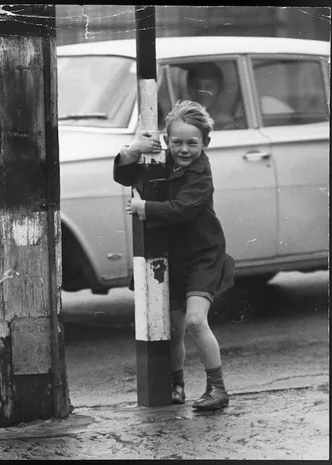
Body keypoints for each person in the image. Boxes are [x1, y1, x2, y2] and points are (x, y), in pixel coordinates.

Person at [113, 100, 235, 411]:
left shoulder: (200, 173)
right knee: (174, 328)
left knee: (195, 321)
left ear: (205, 143)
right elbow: (126, 176)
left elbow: (182, 210)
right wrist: (132, 150)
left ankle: (217, 389)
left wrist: (144, 208)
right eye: (177, 142)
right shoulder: (161, 160)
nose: (184, 149)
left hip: (203, 257)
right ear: (167, 141)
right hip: (172, 256)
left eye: (192, 143)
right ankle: (176, 386)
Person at [186, 63, 237, 130]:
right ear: (188, 89)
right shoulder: (182, 122)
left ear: (219, 89)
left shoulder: (226, 124)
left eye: (209, 87)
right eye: (196, 86)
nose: (202, 93)